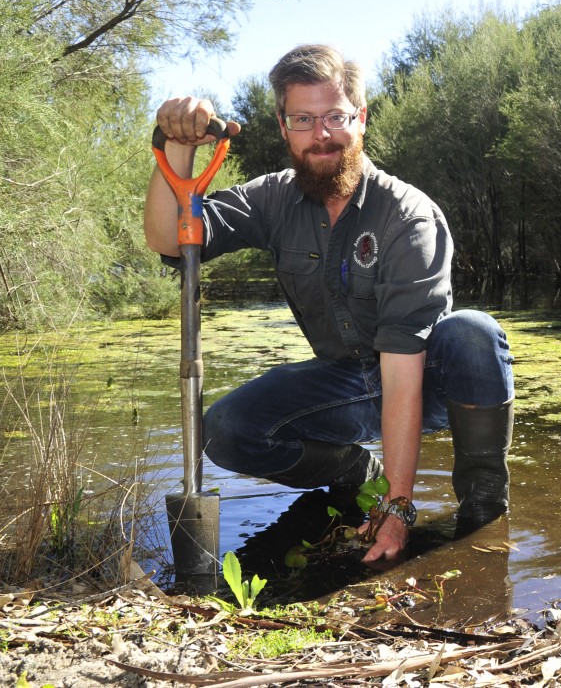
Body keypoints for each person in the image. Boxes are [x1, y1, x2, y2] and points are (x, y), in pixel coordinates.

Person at [144, 43, 515, 565]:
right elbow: (169, 238)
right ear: (283, 126)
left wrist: (399, 505)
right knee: (227, 430)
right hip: (346, 383)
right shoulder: (271, 198)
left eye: (336, 116)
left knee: (474, 333)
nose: (322, 134)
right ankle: (349, 471)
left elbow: (403, 369)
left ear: (360, 119)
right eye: (304, 118)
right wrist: (178, 148)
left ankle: (483, 507)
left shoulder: (408, 216)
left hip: (427, 380)